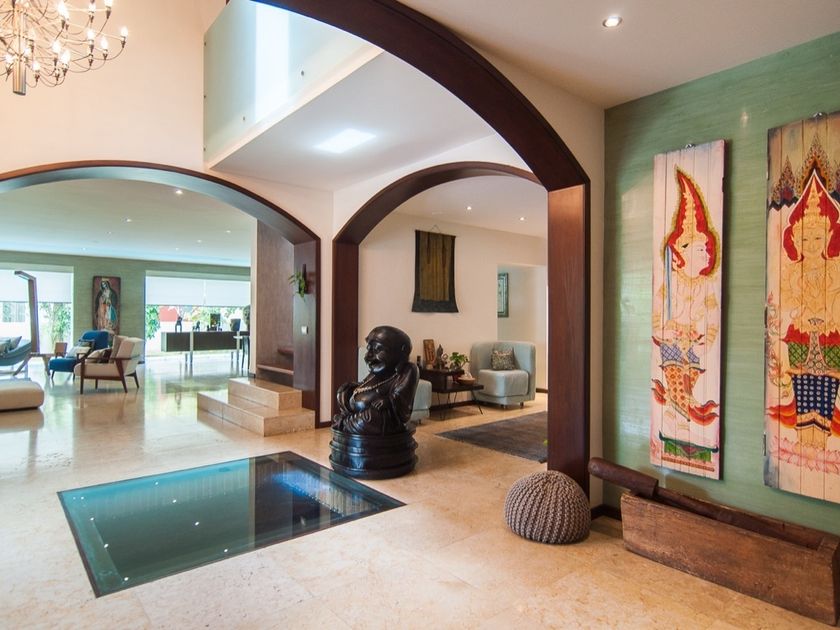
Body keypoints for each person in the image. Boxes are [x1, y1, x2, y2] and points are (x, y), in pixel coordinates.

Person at [651, 168, 721, 465]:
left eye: (707, 247)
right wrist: (664, 331)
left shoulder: (705, 285)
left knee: (687, 390)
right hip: (671, 345)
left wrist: (707, 339)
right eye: (701, 248)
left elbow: (713, 318)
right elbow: (657, 316)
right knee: (678, 389)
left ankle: (682, 423)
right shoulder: (671, 283)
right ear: (682, 250)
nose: (707, 253)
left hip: (693, 347)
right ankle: (677, 424)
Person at [769, 172, 840, 447]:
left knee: (826, 390)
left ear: (829, 236)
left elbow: (835, 302)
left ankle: (820, 444)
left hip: (829, 335)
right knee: (803, 389)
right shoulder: (791, 271)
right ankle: (803, 440)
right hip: (799, 334)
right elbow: (788, 303)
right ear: (796, 240)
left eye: (817, 238)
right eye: (805, 240)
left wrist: (827, 317)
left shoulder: (834, 269)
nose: (811, 245)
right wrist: (802, 316)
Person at [333, 325, 418, 436]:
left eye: (377, 349)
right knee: (344, 390)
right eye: (369, 349)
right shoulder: (377, 371)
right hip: (361, 412)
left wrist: (389, 400)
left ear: (401, 351)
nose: (367, 356)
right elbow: (366, 385)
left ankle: (345, 423)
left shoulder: (408, 370)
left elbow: (402, 397)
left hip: (379, 417)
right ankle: (348, 420)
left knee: (373, 417)